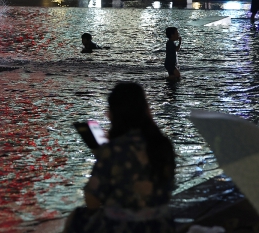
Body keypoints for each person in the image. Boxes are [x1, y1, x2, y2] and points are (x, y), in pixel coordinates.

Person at [63, 82, 176, 233]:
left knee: (76, 217)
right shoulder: (163, 144)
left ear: (115, 113)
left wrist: (102, 157)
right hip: (161, 225)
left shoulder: (113, 150)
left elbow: (92, 201)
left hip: (122, 227)